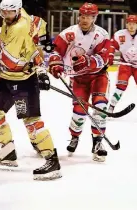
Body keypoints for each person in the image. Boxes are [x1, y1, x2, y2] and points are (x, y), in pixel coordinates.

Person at [0, 0, 61, 181]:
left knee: (31, 122)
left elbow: (10, 61)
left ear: (17, 11)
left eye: (9, 12)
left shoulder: (19, 28)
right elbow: (40, 22)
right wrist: (46, 38)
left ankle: (52, 160)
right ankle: (8, 152)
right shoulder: (18, 19)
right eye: (3, 12)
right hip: (6, 78)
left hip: (24, 80)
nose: (6, 16)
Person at [48, 2, 110, 162]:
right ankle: (75, 136)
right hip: (78, 78)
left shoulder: (101, 35)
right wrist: (55, 64)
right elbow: (56, 51)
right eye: (82, 16)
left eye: (88, 16)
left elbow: (104, 57)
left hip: (98, 76)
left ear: (94, 18)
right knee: (80, 110)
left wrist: (88, 62)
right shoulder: (68, 33)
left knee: (100, 106)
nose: (85, 19)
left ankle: (97, 142)